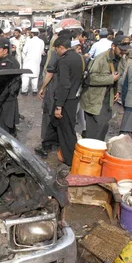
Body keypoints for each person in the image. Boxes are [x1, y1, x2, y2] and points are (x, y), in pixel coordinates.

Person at [80, 36, 130, 141]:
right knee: (95, 130)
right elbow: (91, 78)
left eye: (125, 50)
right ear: (113, 46)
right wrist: (111, 78)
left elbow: (120, 77)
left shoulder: (121, 59)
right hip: (95, 99)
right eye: (121, 50)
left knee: (102, 128)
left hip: (107, 98)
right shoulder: (101, 59)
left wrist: (118, 91)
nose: (123, 53)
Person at [44, 37, 85, 166]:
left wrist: (59, 106)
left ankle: (71, 159)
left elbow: (64, 85)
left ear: (61, 47)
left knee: (67, 130)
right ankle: (47, 144)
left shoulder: (64, 61)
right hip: (74, 98)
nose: (56, 51)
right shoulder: (79, 57)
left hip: (65, 100)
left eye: (56, 49)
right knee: (54, 123)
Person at [0, 38, 22, 136]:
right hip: (8, 101)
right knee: (8, 133)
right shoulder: (10, 61)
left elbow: (5, 88)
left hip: (5, 104)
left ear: (5, 50)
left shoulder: (7, 64)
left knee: (1, 133)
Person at [20, 27, 45, 96]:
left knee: (25, 76)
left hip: (28, 61)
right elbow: (42, 51)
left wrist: (24, 58)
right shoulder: (41, 42)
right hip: (37, 61)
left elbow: (24, 51)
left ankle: (24, 90)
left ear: (32, 33)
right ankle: (34, 90)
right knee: (35, 76)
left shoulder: (29, 41)